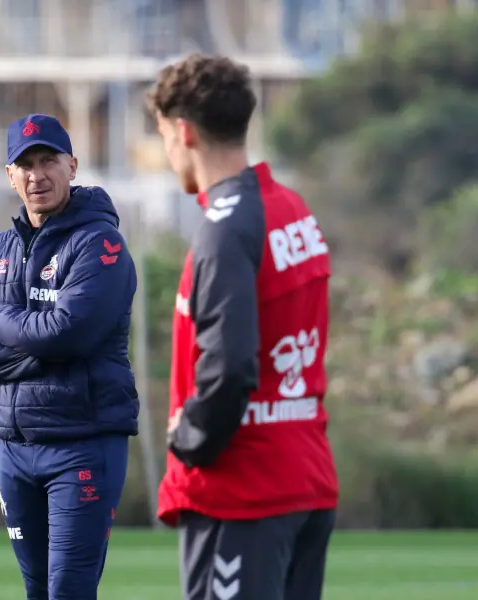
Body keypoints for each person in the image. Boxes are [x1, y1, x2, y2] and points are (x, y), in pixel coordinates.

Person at [147, 54, 338, 600]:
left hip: (243, 493)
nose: (166, 152)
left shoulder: (224, 230)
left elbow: (229, 365)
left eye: (162, 135)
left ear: (183, 132)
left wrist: (189, 440)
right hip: (305, 482)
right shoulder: (293, 210)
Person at [0, 113, 139, 600]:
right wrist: (40, 347)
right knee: (37, 591)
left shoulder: (101, 244)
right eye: (25, 164)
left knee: (68, 591)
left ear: (72, 165)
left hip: (83, 444)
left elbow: (65, 335)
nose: (38, 175)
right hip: (14, 449)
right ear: (10, 175)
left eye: (48, 160)